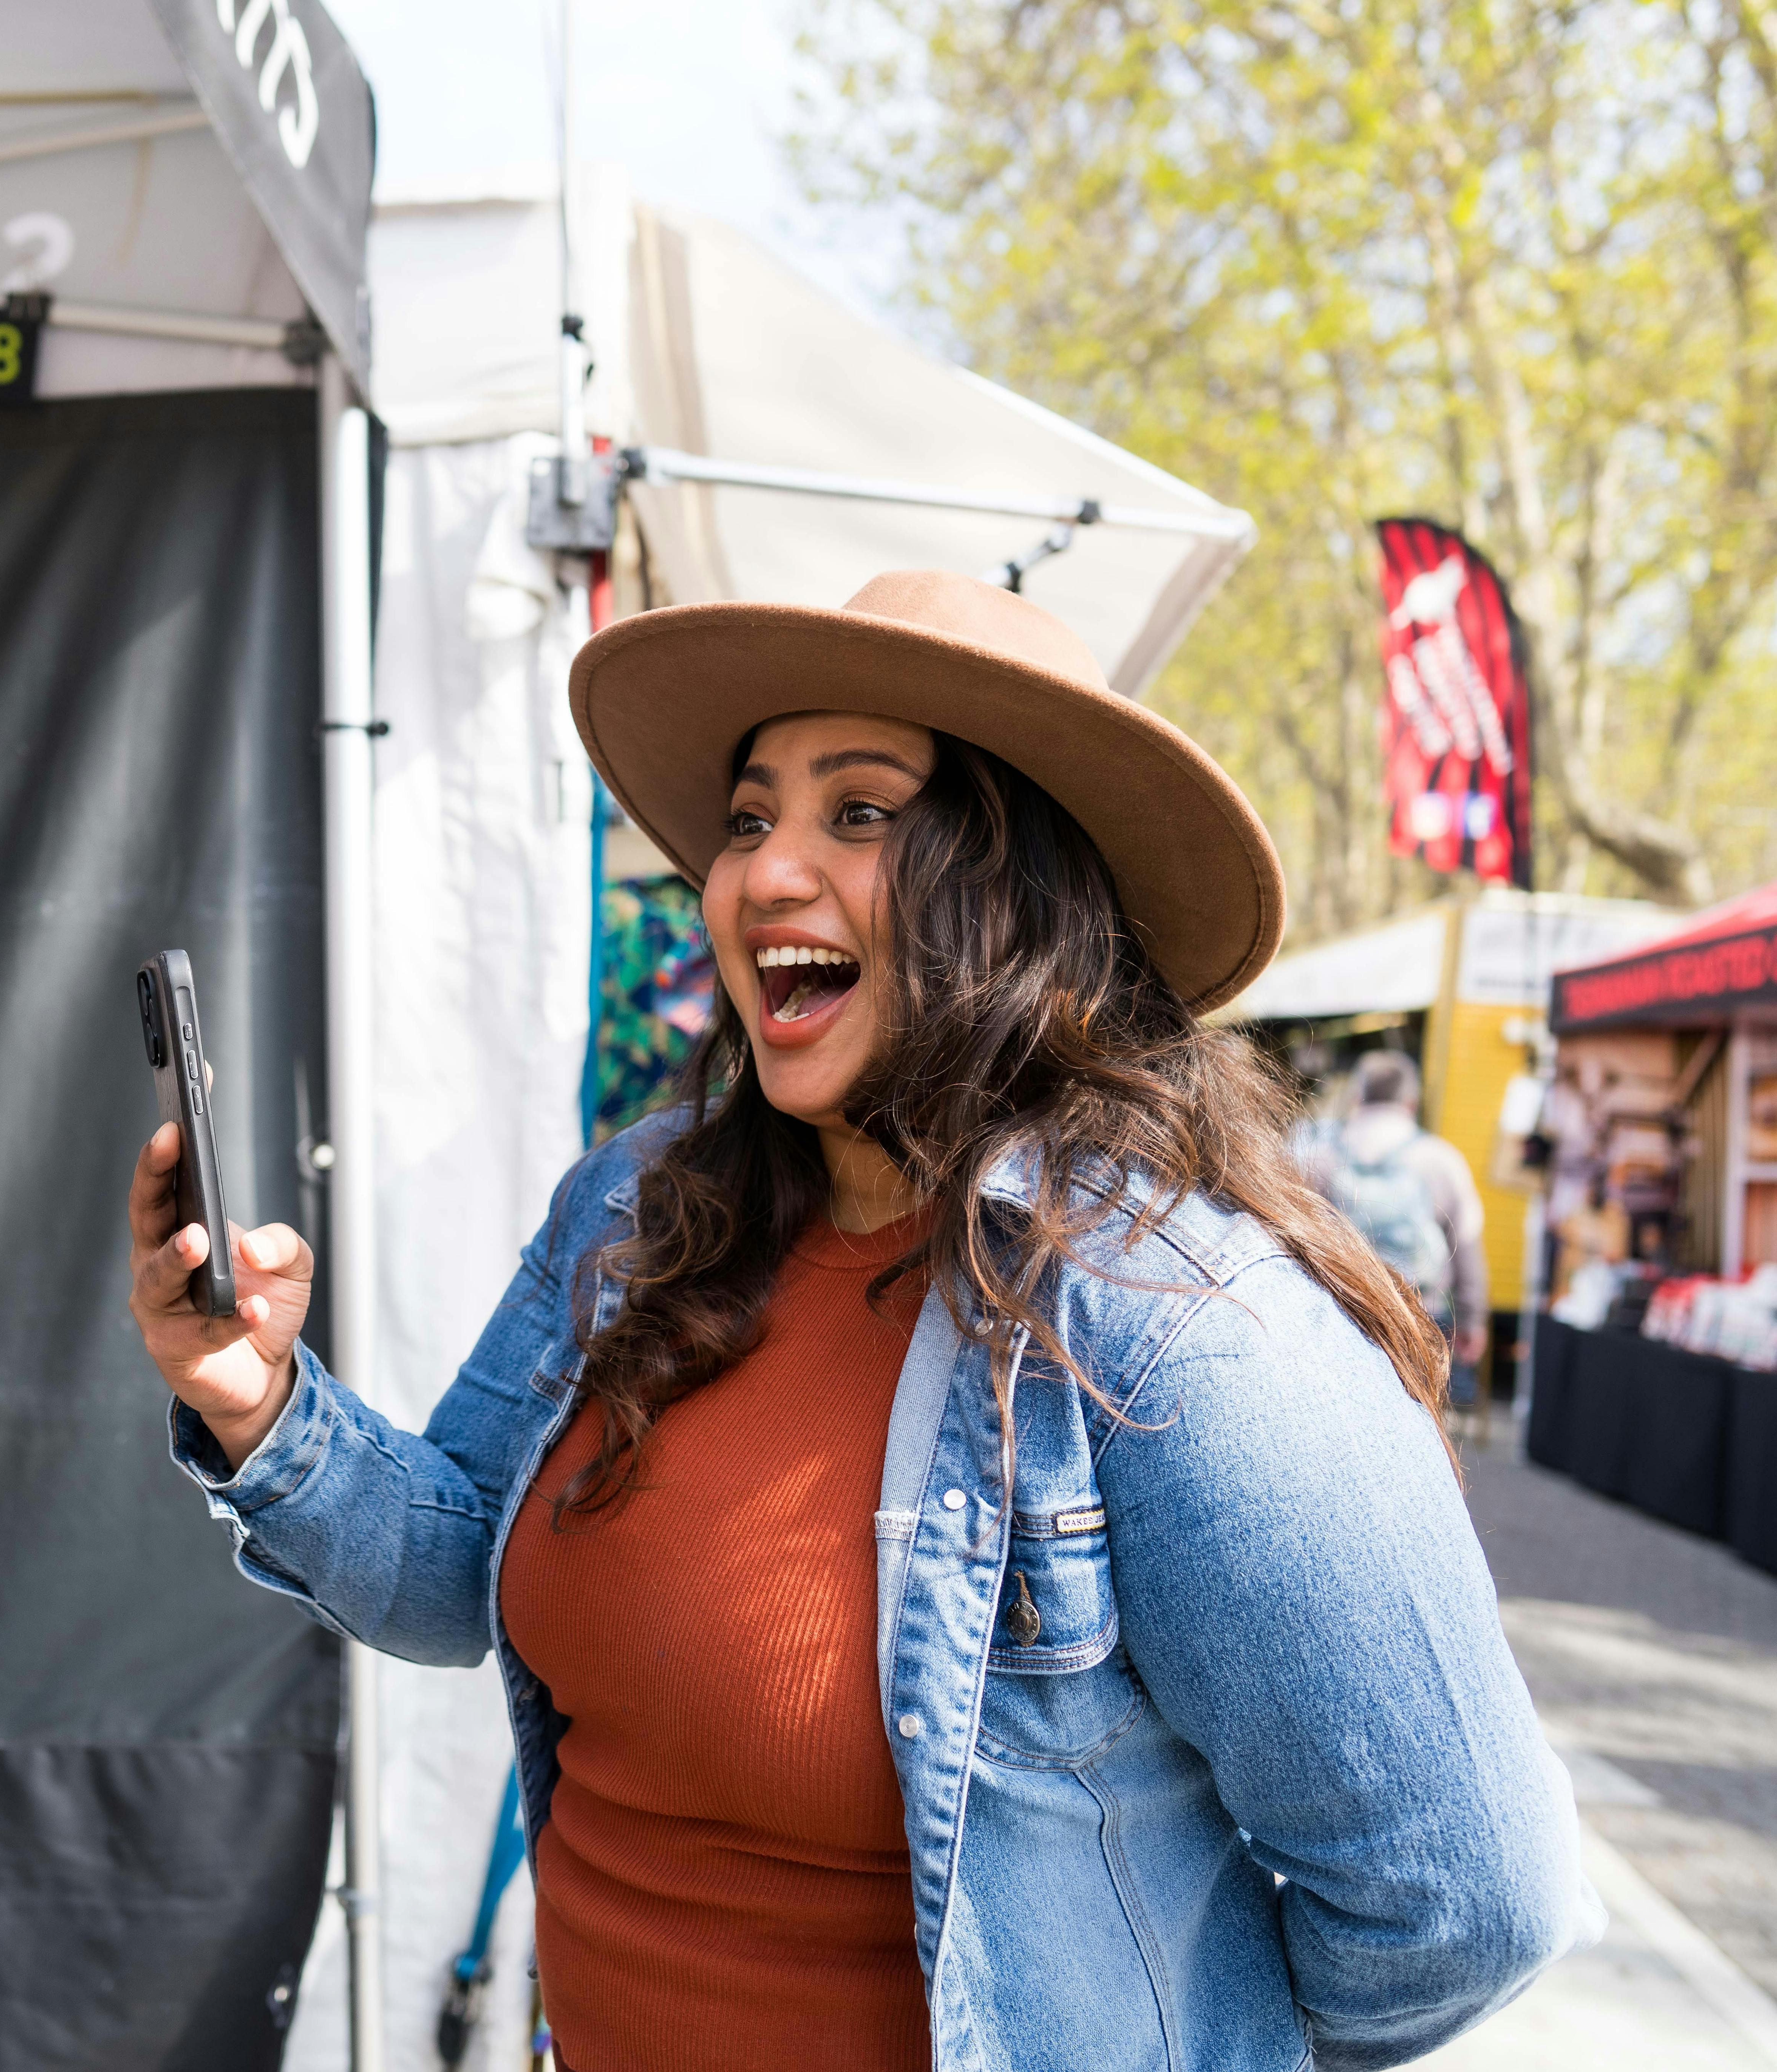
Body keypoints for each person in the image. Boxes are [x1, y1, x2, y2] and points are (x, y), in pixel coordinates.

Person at [125, 572, 1591, 2071]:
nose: (761, 875)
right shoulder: (633, 1210)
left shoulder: (1174, 1328)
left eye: (864, 814)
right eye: (749, 819)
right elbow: (456, 1573)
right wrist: (261, 1405)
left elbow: (1466, 1904)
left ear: (1026, 890)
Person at [1297, 1049, 1490, 1411]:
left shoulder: (1320, 1156)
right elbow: (1466, 1244)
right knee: (1416, 1420)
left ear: (1358, 1097)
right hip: (1420, 1316)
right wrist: (1472, 1319)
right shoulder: (1440, 1159)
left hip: (1340, 1311)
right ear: (1411, 1102)